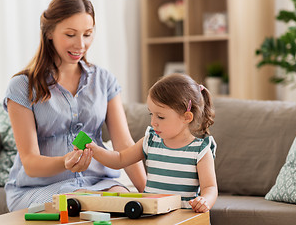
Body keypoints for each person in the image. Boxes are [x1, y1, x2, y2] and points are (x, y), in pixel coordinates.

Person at [3, 0, 146, 211]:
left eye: (88, 34)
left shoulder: (104, 80)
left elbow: (124, 146)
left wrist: (150, 194)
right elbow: (30, 163)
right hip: (39, 188)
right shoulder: (22, 86)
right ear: (49, 32)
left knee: (129, 205)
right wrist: (64, 162)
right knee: (82, 204)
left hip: (99, 182)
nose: (81, 44)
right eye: (70, 34)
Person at [87, 73, 218, 213]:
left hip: (183, 217)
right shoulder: (150, 141)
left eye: (160, 117)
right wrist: (93, 149)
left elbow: (210, 188)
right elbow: (119, 159)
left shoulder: (200, 150)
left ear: (187, 117)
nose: (153, 122)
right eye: (151, 114)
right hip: (152, 214)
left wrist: (205, 201)